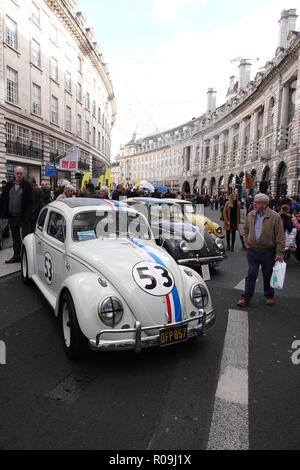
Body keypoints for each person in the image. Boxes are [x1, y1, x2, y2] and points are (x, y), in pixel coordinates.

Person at [237, 193, 285, 307]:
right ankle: (246, 297)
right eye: (254, 201)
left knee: (267, 274)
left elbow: (280, 235)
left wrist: (280, 252)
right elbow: (246, 229)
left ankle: (269, 296)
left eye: (257, 202)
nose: (254, 203)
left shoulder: (275, 216)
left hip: (268, 251)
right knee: (251, 274)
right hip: (252, 250)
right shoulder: (251, 214)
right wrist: (246, 242)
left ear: (264, 204)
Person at [0, 167, 33, 263]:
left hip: (23, 217)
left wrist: (28, 215)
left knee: (25, 237)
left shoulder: (27, 185)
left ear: (23, 175)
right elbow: (3, 199)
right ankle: (16, 256)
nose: (19, 175)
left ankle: (26, 257)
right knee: (15, 238)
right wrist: (3, 212)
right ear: (14, 174)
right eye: (17, 173)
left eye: (21, 173)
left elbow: (30, 202)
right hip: (12, 216)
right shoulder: (9, 185)